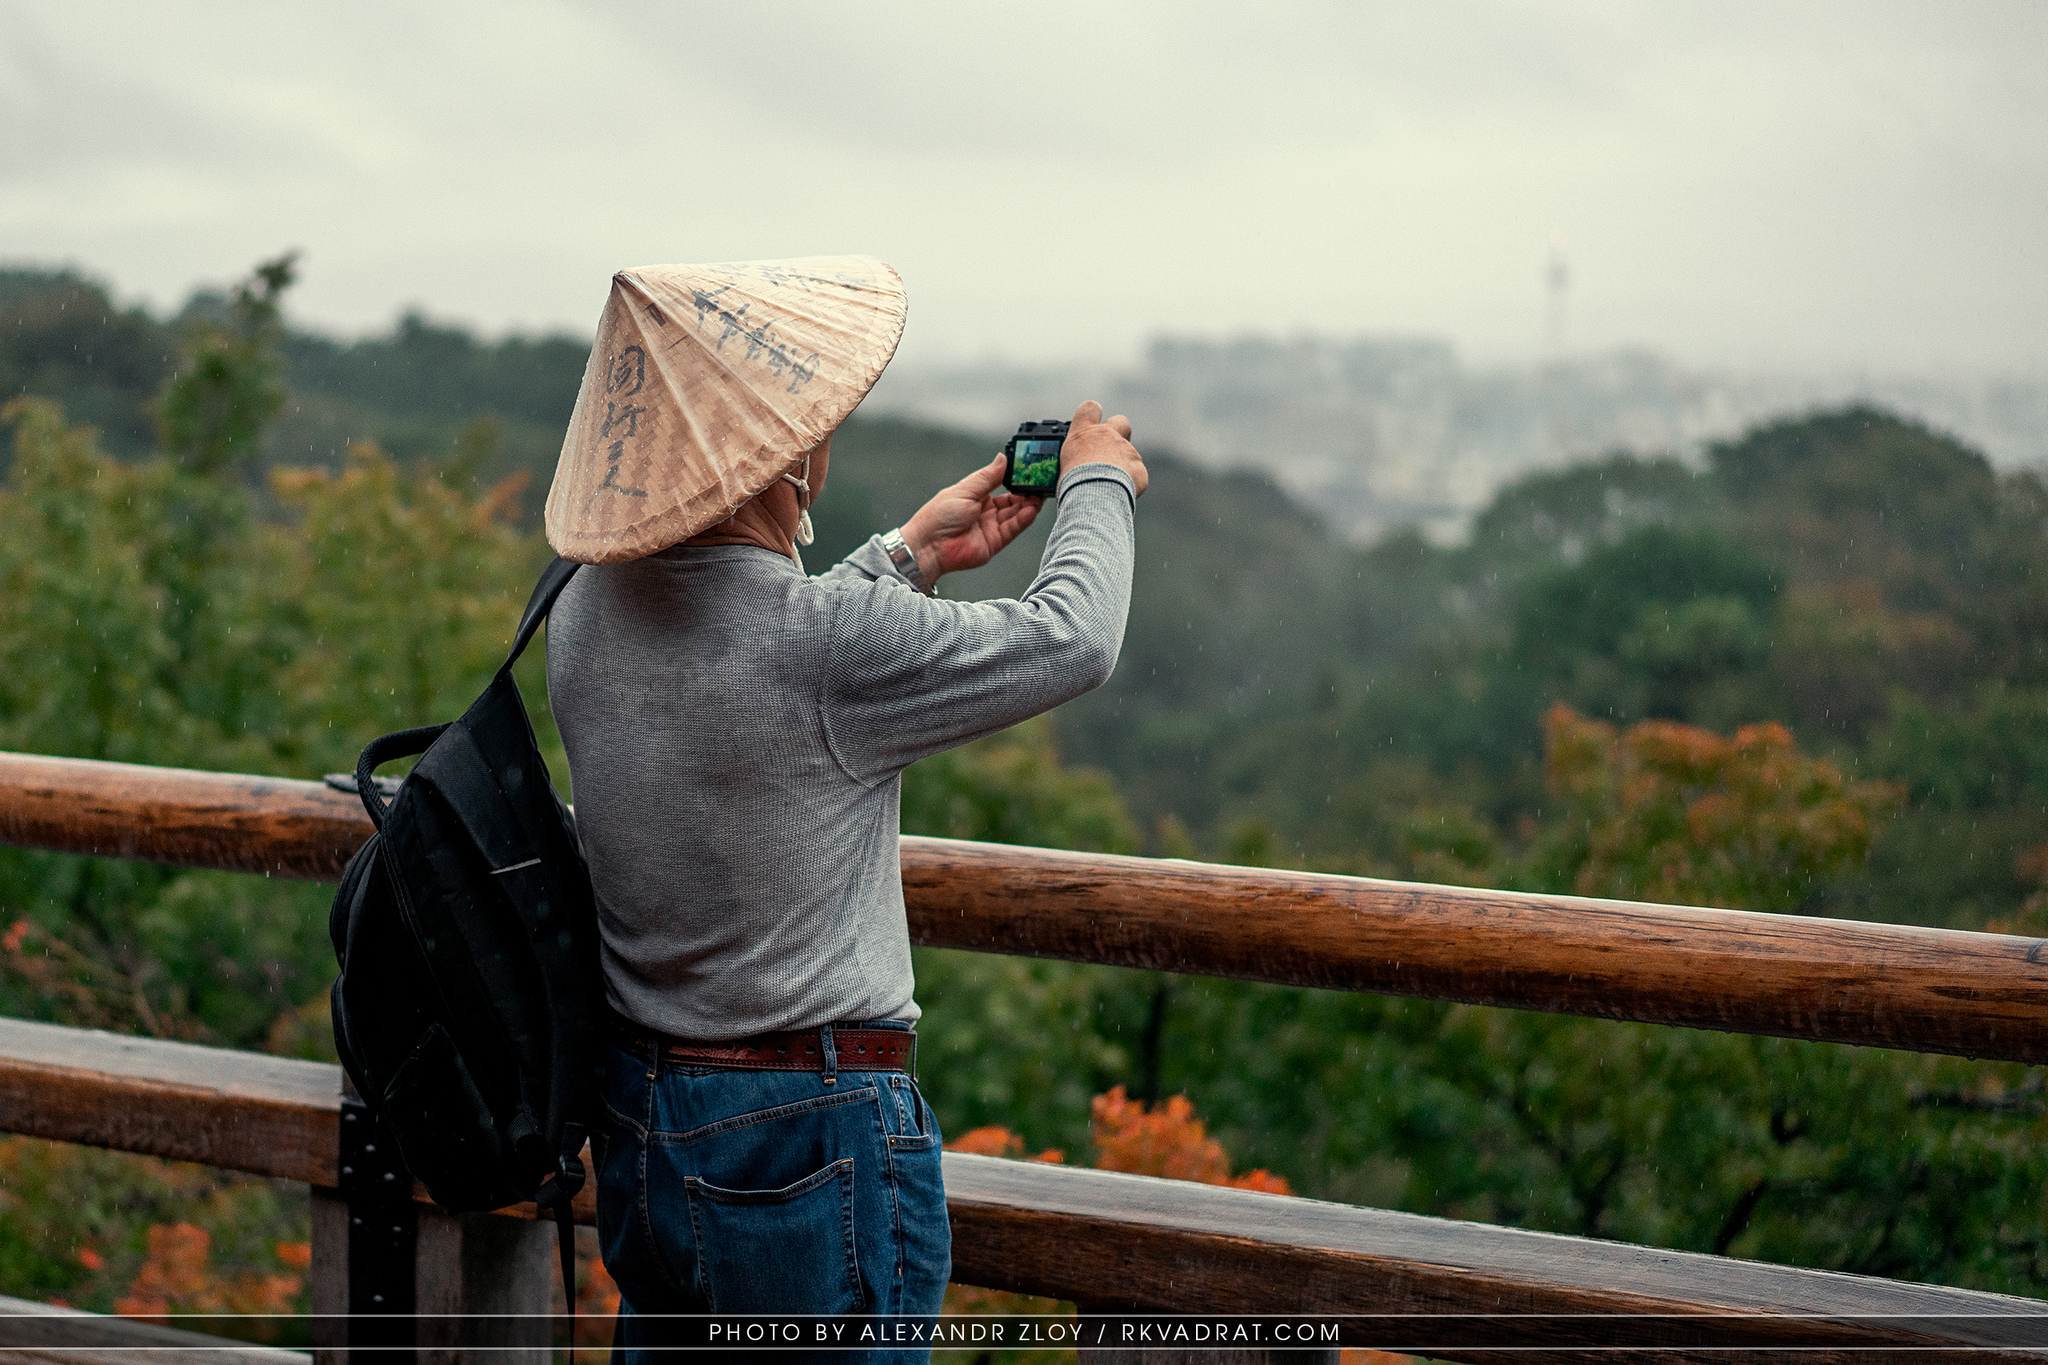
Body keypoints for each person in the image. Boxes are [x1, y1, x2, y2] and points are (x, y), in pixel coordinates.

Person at [541, 257, 1146, 1361]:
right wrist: (1097, 480)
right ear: (786, 460)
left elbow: (751, 656)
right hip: (803, 1134)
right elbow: (1073, 640)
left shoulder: (584, 610)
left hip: (640, 1118)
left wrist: (909, 557)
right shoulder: (816, 648)